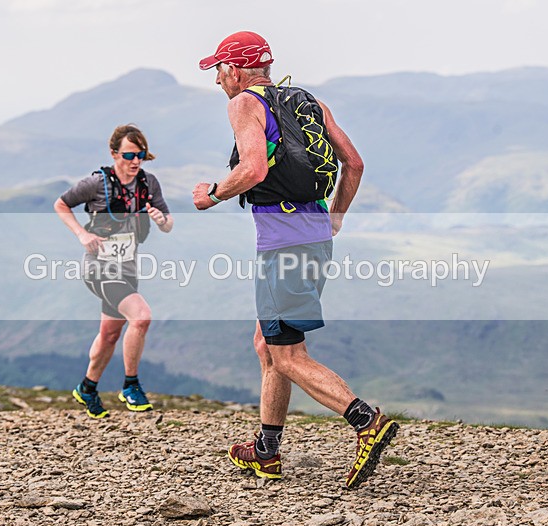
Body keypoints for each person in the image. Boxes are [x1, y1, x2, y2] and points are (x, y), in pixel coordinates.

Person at [193, 31, 399, 489]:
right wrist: (336, 216)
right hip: (316, 238)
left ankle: (366, 421)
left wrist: (212, 194)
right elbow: (354, 163)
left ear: (236, 70)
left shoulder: (244, 103)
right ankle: (266, 451)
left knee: (287, 355)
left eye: (219, 70)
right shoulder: (309, 102)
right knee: (267, 343)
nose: (217, 80)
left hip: (282, 245)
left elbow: (253, 169)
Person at [55, 124, 173, 419]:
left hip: (128, 268)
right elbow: (61, 204)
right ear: (114, 154)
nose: (135, 161)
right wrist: (82, 234)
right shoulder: (97, 183)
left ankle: (87, 387)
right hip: (99, 267)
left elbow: (168, 224)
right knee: (141, 317)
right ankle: (130, 385)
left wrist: (161, 220)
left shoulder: (148, 183)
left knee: (109, 335)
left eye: (141, 155)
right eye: (129, 155)